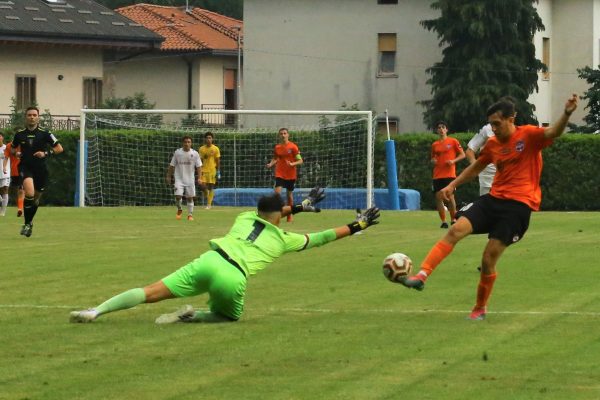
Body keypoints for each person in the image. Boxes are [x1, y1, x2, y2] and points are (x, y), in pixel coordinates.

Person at [69, 188, 381, 324]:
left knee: (150, 291)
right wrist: (358, 225)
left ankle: (96, 310)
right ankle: (192, 316)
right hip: (233, 277)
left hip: (209, 260)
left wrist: (299, 205)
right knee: (229, 316)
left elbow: (273, 212)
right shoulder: (285, 238)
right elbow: (323, 237)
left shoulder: (244, 217)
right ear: (279, 216)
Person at [400, 94, 579, 321]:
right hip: (493, 200)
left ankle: (479, 308)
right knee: (455, 230)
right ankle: (422, 275)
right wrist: (453, 185)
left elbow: (554, 132)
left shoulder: (529, 136)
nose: (493, 129)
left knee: (487, 260)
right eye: (491, 124)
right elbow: (476, 168)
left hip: (518, 207)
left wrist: (567, 113)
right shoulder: (493, 144)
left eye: (497, 123)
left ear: (511, 119)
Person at [10, 106, 63, 237]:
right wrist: (16, 153)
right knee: (29, 193)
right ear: (26, 117)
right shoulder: (19, 134)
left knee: (35, 199)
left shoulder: (46, 133)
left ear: (38, 117)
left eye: (34, 115)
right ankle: (27, 224)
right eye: (29, 115)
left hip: (41, 169)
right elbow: (12, 149)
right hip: (25, 168)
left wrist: (46, 153)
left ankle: (29, 223)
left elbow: (59, 148)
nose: (32, 117)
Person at [430, 121, 465, 228]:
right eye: (439, 127)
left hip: (449, 175)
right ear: (437, 130)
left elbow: (463, 155)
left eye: (443, 127)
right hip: (437, 175)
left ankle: (453, 219)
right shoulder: (434, 145)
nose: (441, 129)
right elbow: (432, 158)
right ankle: (443, 221)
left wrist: (453, 161)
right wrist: (433, 161)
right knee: (438, 197)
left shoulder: (453, 141)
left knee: (450, 197)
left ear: (446, 130)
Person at [266, 128, 303, 222]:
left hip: (291, 175)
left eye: (285, 133)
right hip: (280, 174)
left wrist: (292, 164)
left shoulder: (293, 147)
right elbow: (275, 158)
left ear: (288, 135)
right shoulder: (277, 147)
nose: (283, 135)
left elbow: (300, 160)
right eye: (281, 134)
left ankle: (289, 214)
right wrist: (271, 164)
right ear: (279, 136)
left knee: (289, 196)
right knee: (277, 194)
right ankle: (276, 214)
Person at [166, 136, 202, 221]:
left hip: (190, 180)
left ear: (191, 143)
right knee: (178, 196)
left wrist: (200, 178)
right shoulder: (178, 153)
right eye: (185, 142)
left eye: (189, 142)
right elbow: (172, 165)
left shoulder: (195, 153)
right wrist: (168, 176)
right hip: (179, 179)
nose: (187, 144)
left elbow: (199, 167)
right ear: (183, 143)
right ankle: (179, 209)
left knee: (190, 198)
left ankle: (190, 215)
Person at [466, 123, 496, 196]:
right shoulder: (487, 129)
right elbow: (469, 151)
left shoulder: (513, 130)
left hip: (506, 179)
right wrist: (477, 168)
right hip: (487, 180)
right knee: (488, 206)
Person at [198, 131, 221, 209]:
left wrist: (218, 171)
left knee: (211, 187)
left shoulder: (215, 148)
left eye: (210, 138)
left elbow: (218, 160)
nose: (208, 139)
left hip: (212, 170)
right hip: (204, 170)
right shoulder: (201, 149)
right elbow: (200, 161)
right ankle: (208, 196)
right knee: (202, 185)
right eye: (207, 138)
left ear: (212, 139)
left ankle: (209, 204)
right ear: (205, 139)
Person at [3, 139, 25, 217]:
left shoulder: (26, 143)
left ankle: (20, 209)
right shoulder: (9, 146)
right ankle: (21, 208)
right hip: (14, 171)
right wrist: (4, 167)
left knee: (21, 190)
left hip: (25, 170)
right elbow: (6, 157)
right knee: (18, 190)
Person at [0, 134, 8, 216]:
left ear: (2, 137)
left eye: (0, 136)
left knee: (5, 189)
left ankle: (3, 211)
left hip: (5, 173)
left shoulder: (6, 148)